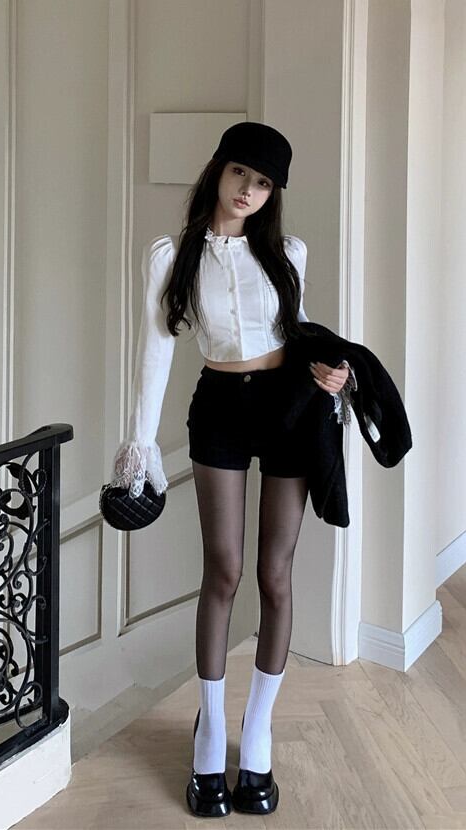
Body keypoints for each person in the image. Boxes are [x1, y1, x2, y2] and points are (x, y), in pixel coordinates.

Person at [107, 121, 353, 817]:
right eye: (241, 172)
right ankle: (211, 732)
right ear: (219, 168)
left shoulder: (287, 254)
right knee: (223, 569)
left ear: (273, 193)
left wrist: (335, 376)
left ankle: (260, 727)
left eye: (264, 182)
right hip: (218, 407)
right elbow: (156, 351)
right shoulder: (173, 256)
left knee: (276, 575)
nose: (248, 190)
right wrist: (140, 447)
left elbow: (300, 329)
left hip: (289, 407)